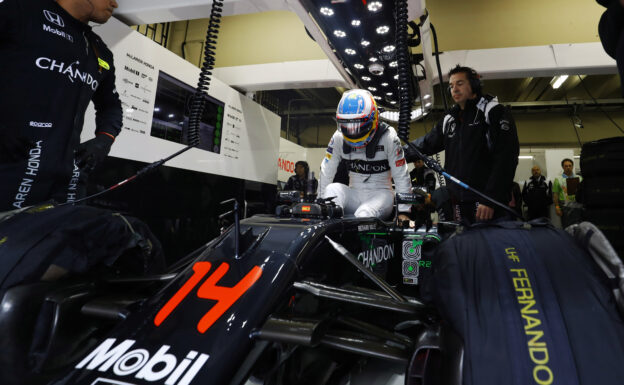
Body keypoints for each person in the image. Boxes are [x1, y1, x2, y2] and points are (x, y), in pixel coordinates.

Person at [0, 0, 122, 212]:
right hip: (8, 171)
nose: (115, 4)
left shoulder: (100, 51)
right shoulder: (21, 13)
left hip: (66, 182)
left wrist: (104, 139)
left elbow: (111, 106)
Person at [405, 65, 519, 224]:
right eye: (451, 86)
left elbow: (506, 159)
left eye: (460, 83)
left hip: (487, 205)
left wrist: (490, 199)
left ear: (474, 84)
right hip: (458, 204)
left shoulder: (493, 112)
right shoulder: (450, 118)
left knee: (488, 247)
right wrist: (394, 154)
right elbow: (425, 144)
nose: (454, 89)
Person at [318, 89, 411, 221]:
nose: (352, 131)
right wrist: (320, 206)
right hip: (354, 194)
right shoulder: (338, 137)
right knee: (331, 192)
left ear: (373, 118)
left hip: (381, 195)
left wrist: (404, 212)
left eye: (357, 125)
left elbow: (401, 174)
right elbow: (327, 170)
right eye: (347, 125)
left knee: (364, 214)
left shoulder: (389, 137)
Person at [553, 158, 583, 228]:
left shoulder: (579, 178)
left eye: (570, 165)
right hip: (564, 207)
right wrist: (557, 207)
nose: (568, 167)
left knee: (578, 227)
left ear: (572, 166)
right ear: (563, 167)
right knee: (566, 227)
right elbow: (555, 194)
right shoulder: (558, 179)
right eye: (566, 166)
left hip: (578, 207)